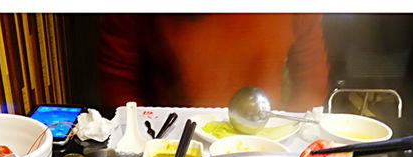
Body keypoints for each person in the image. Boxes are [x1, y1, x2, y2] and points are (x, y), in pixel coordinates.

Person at [97, 13, 329, 112]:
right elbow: (118, 77)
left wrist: (295, 143)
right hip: (171, 140)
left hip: (263, 134)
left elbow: (310, 75)